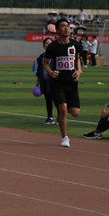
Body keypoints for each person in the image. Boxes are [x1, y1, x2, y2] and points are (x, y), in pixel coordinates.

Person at [43, 18, 83, 147]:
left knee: (75, 113)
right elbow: (45, 63)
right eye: (63, 26)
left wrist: (79, 71)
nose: (66, 28)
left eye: (68, 26)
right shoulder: (53, 46)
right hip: (58, 83)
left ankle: (62, 110)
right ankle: (64, 137)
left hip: (72, 83)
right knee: (63, 110)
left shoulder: (75, 44)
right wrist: (51, 73)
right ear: (57, 30)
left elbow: (77, 59)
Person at [35, 37, 57, 125]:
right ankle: (50, 117)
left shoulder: (56, 56)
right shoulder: (41, 57)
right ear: (43, 45)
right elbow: (39, 70)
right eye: (46, 43)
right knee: (48, 100)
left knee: (57, 101)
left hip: (54, 82)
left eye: (50, 43)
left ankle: (60, 118)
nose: (48, 45)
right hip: (44, 81)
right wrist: (37, 82)